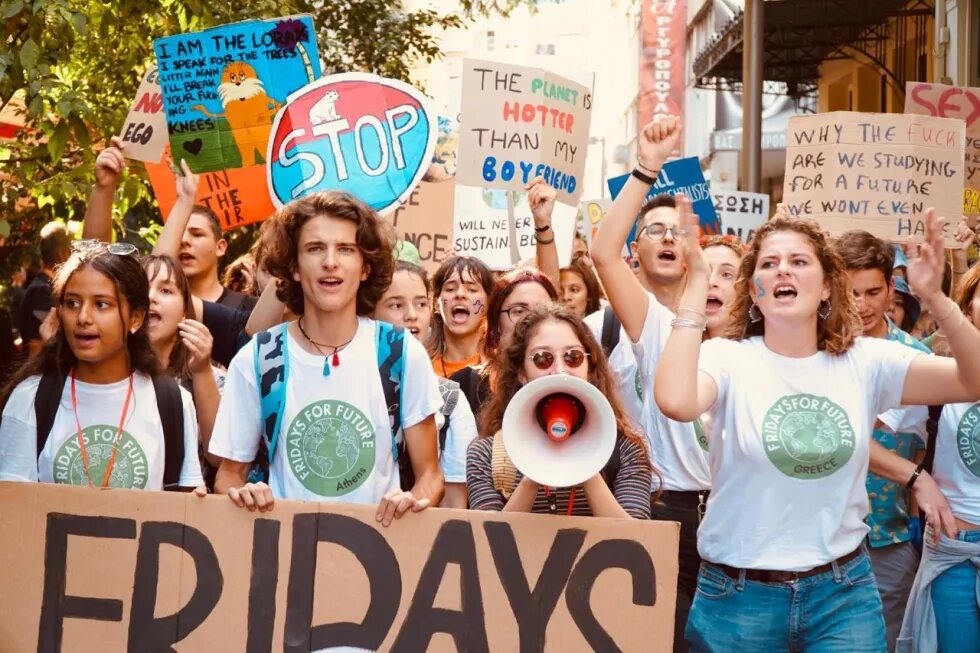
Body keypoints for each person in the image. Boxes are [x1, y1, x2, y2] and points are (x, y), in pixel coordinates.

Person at [655, 180, 980, 651]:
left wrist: (938, 300)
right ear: (756, 290)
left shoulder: (866, 361)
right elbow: (675, 401)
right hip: (736, 599)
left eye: (798, 261)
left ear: (827, 286)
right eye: (769, 263)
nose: (783, 269)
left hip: (841, 595)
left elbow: (972, 380)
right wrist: (696, 284)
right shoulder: (727, 358)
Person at [208, 191, 444, 525]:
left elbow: (431, 475)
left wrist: (412, 500)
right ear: (293, 267)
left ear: (365, 267)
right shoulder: (257, 359)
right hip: (286, 554)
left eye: (346, 249)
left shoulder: (400, 353)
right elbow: (229, 474)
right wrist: (242, 494)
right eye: (315, 248)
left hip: (378, 553)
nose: (330, 261)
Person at [590, 115, 710, 652]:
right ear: (636, 252)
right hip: (668, 511)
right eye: (654, 231)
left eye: (679, 231)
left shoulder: (755, 338)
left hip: (740, 516)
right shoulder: (655, 326)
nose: (668, 238)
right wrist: (646, 169)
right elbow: (600, 253)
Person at [0, 242, 203, 491]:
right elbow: (12, 511)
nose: (83, 317)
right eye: (72, 303)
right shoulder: (31, 398)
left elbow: (187, 509)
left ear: (136, 318)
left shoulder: (172, 402)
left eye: (101, 305)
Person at [835, 229, 932, 652]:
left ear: (891, 287)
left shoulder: (916, 359)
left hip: (888, 539)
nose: (861, 304)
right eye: (850, 292)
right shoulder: (814, 354)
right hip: (822, 538)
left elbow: (932, 446)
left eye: (873, 291)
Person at [467, 303, 653, 518]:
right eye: (542, 359)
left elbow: (636, 543)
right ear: (521, 372)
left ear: (590, 369)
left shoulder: (627, 450)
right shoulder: (485, 455)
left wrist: (587, 461)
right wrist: (534, 470)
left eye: (573, 357)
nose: (559, 370)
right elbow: (488, 541)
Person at [899, 261, 980, 652]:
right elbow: (857, 422)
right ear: (966, 312)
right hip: (954, 552)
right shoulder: (936, 373)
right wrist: (916, 479)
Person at [81, 139, 256, 311]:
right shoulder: (143, 301)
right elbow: (95, 263)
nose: (184, 241)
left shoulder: (248, 310)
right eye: (178, 233)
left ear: (221, 247)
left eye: (197, 234)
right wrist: (104, 186)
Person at [373, 260, 478, 508]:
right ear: (369, 314)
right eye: (396, 305)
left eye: (421, 304)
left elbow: (454, 504)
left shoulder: (450, 399)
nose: (412, 315)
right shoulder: (347, 382)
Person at [142, 254, 224, 488]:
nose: (151, 298)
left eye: (166, 291)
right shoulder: (109, 376)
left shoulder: (213, 377)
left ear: (185, 313)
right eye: (142, 288)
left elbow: (217, 456)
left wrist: (201, 371)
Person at [451, 267, 559, 417]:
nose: (531, 320)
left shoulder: (563, 379)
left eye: (542, 310)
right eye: (519, 311)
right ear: (496, 325)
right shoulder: (462, 385)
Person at [427, 255, 494, 379]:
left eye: (472, 290)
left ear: (489, 304)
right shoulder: (423, 369)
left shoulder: (500, 368)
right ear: (436, 303)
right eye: (450, 289)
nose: (460, 294)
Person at [18, 221, 71, 357]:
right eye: (71, 251)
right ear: (63, 254)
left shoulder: (42, 286)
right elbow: (36, 346)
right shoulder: (43, 291)